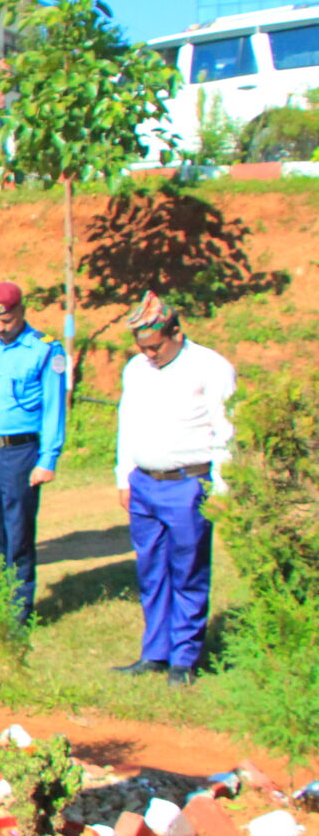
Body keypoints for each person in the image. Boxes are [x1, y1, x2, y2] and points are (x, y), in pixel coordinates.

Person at [111, 292, 236, 688]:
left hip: (189, 483)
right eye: (142, 348)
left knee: (187, 569)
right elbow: (126, 422)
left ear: (177, 333)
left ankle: (184, 656)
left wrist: (222, 487)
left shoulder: (210, 368)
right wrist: (123, 475)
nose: (149, 355)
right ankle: (154, 652)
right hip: (145, 482)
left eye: (155, 347)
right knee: (151, 570)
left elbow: (225, 430)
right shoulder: (136, 369)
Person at [0, 282, 66, 622]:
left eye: (8, 320)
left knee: (18, 530)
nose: (2, 328)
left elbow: (54, 408)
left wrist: (48, 458)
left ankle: (18, 611)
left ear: (21, 312)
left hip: (19, 452)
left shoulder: (46, 350)